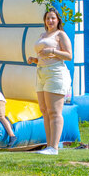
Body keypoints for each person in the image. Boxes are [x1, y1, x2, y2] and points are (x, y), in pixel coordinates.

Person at [26, 8, 72, 155]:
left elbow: (69, 56)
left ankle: (54, 147)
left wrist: (52, 51)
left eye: (53, 18)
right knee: (45, 111)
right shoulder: (43, 35)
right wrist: (35, 60)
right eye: (47, 18)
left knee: (54, 111)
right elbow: (43, 55)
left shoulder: (61, 34)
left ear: (58, 20)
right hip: (41, 73)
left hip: (56, 73)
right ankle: (49, 145)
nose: (50, 21)